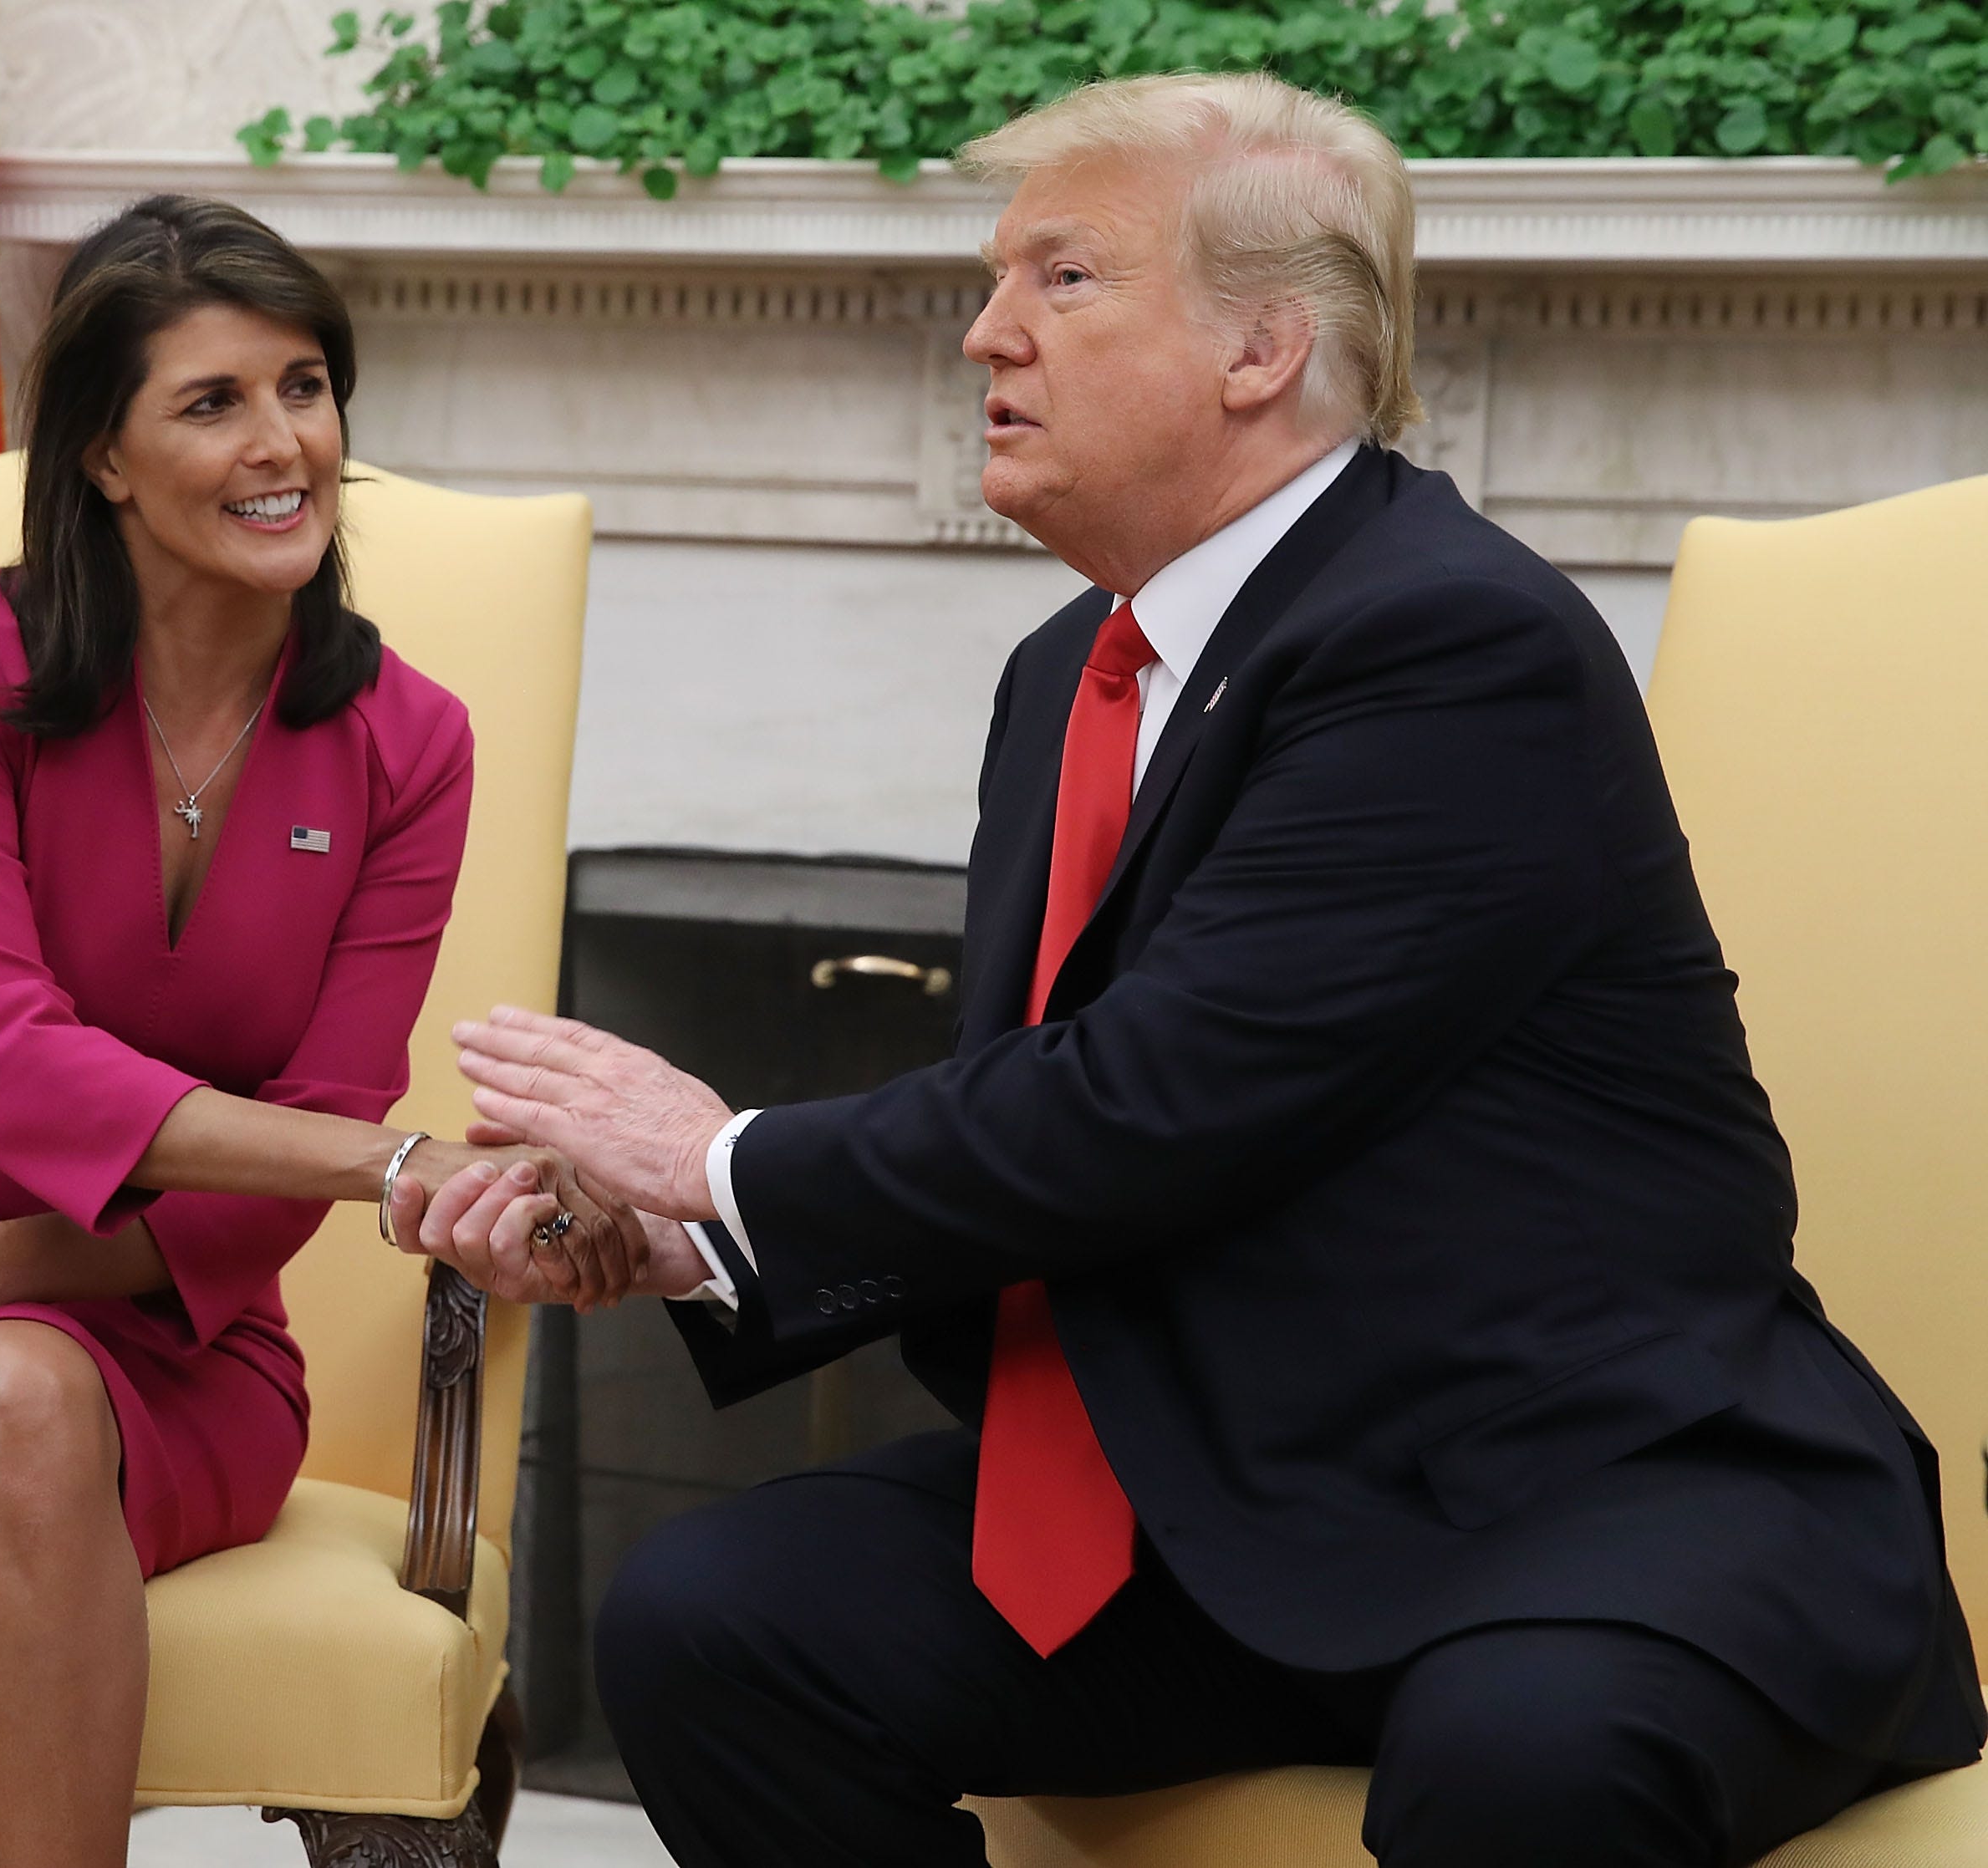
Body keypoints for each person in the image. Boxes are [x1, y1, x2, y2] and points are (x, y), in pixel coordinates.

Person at [400, 73, 1985, 1868]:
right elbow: (1058, 1149)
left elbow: (1149, 1102)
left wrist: (722, 1157)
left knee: (1526, 1758)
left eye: (1062, 281)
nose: (986, 331)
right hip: (1238, 1501)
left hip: (1589, 1487)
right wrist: (699, 1241)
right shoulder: (1070, 667)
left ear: (1262, 351)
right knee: (720, 1619)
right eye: (995, 279)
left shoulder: (1450, 639)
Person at [0, 194, 639, 1868]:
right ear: (103, 455)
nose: (288, 446)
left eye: (308, 385)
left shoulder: (412, 739)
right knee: (9, 1419)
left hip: (179, 1343)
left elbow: (263, 1198)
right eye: (215, 401)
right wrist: (411, 1164)